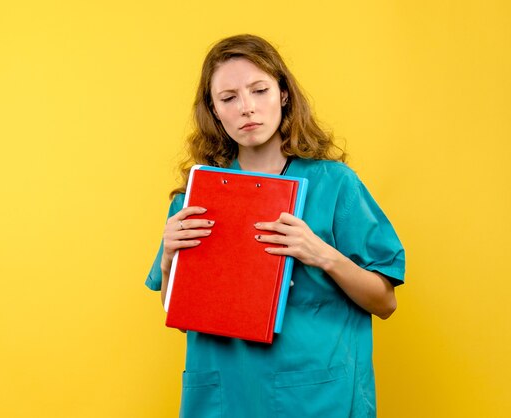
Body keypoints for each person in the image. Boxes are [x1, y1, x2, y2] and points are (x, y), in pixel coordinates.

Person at [146, 34, 405, 418]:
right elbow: (182, 320)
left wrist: (322, 254)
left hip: (317, 396)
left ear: (283, 94)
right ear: (214, 111)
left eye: (259, 90)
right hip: (223, 396)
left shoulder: (335, 185)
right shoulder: (196, 197)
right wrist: (169, 258)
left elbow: (385, 302)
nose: (246, 108)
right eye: (228, 98)